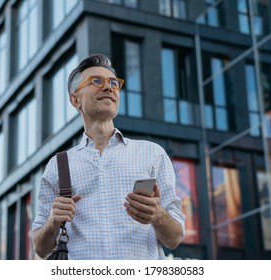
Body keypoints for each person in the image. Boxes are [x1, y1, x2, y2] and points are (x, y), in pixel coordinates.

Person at [32, 54, 185, 259]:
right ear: (75, 99)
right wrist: (52, 221)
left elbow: (174, 238)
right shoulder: (59, 165)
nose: (108, 87)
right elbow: (40, 248)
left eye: (113, 82)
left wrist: (158, 215)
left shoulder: (152, 154)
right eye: (96, 81)